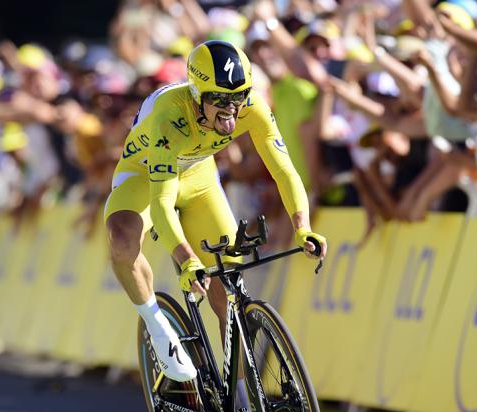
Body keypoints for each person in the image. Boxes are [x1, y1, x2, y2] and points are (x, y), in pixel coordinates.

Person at [104, 40, 327, 382]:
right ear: (196, 95)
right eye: (220, 99)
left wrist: (303, 226)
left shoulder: (251, 105)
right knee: (121, 240)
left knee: (230, 300)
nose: (231, 109)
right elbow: (163, 201)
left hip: (199, 179)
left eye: (238, 96)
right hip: (145, 176)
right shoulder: (170, 115)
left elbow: (285, 170)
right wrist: (186, 259)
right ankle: (157, 328)